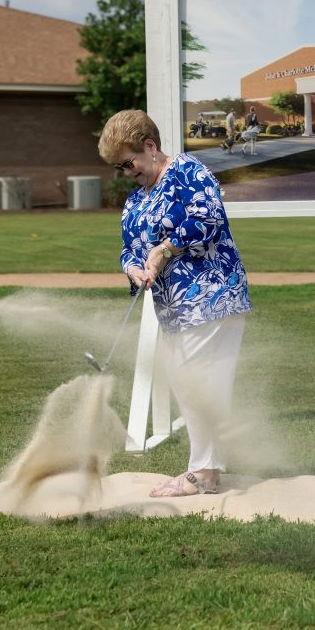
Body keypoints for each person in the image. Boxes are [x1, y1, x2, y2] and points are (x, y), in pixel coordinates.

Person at [98, 109, 252, 498]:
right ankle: (207, 469)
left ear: (150, 146)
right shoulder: (135, 202)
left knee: (196, 381)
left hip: (212, 293)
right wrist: (134, 269)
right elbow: (129, 251)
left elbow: (210, 217)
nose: (127, 172)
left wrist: (165, 249)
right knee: (193, 383)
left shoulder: (187, 171)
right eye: (120, 168)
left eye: (129, 163)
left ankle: (204, 472)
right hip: (173, 307)